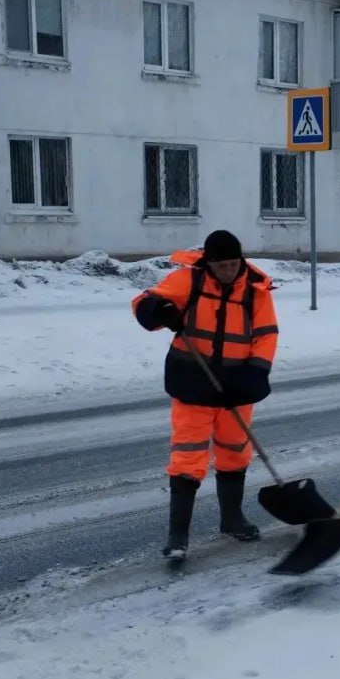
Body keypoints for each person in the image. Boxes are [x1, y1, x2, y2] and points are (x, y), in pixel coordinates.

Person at [132, 229, 279, 558]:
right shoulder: (189, 282)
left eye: (233, 264)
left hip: (235, 385)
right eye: (221, 265)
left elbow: (266, 335)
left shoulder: (255, 290)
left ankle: (232, 519)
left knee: (234, 453)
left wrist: (253, 376)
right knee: (187, 456)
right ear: (209, 264)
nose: (228, 271)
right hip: (193, 382)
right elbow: (143, 303)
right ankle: (178, 536)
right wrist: (160, 310)